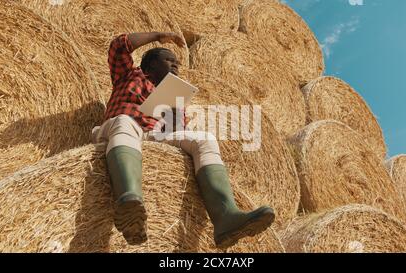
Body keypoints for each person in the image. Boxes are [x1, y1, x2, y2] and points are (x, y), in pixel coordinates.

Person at [91, 32, 275, 248]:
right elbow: (117, 47)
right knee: (124, 121)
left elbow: (177, 133)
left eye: (177, 62)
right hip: (119, 132)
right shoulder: (129, 76)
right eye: (168, 60)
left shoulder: (175, 97)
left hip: (156, 137)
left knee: (204, 139)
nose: (175, 65)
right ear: (149, 67)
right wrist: (158, 36)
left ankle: (226, 217)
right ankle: (128, 201)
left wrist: (175, 114)